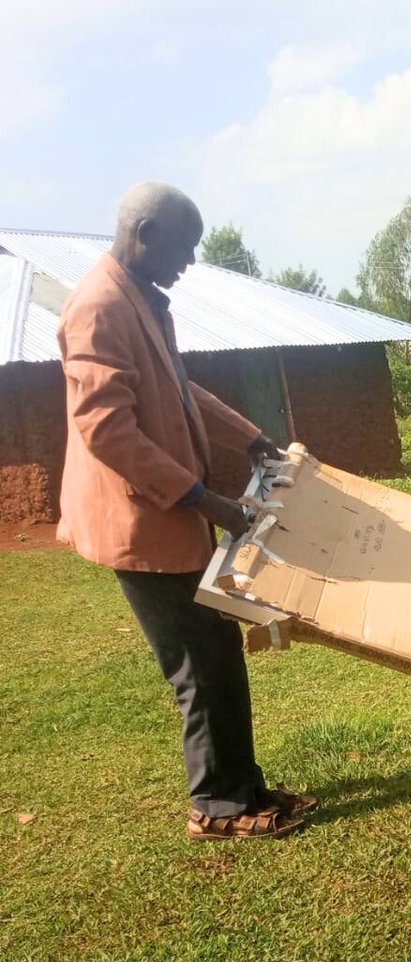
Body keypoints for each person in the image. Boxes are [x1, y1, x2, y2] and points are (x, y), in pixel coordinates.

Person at [57, 181, 315, 838]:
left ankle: (243, 787)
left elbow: (180, 389)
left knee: (217, 649)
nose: (190, 261)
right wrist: (206, 500)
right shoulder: (98, 307)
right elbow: (106, 429)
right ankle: (218, 806)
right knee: (198, 664)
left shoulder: (140, 301)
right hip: (143, 523)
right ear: (145, 235)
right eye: (184, 246)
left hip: (170, 515)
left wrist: (249, 438)